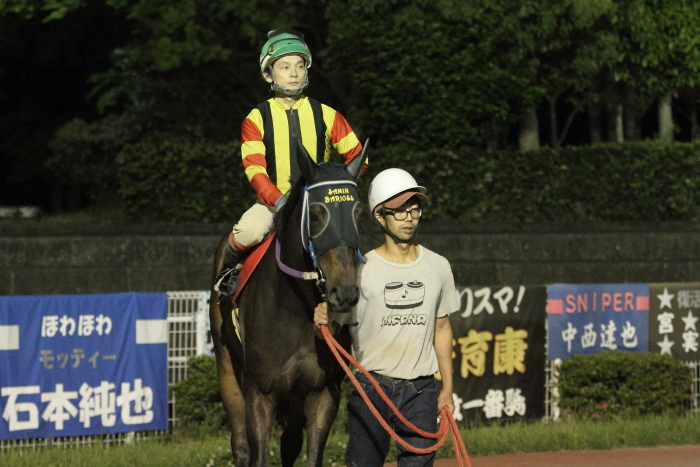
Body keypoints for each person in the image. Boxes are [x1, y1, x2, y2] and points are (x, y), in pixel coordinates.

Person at [314, 168, 458, 467]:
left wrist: (447, 388)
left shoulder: (439, 266)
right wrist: (320, 319)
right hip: (371, 388)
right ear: (380, 216)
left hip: (422, 390)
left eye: (414, 209)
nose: (409, 217)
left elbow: (442, 328)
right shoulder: (360, 271)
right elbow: (329, 331)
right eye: (400, 211)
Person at [215, 28, 364, 295]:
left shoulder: (328, 114)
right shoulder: (256, 118)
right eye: (284, 67)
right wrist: (278, 199)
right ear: (268, 75)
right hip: (273, 205)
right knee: (249, 231)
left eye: (299, 66)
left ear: (307, 71)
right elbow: (254, 168)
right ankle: (227, 273)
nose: (293, 73)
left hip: (320, 207)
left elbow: (358, 158)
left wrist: (335, 189)